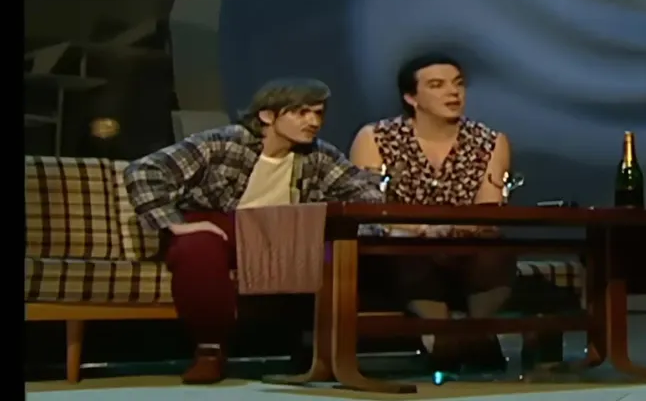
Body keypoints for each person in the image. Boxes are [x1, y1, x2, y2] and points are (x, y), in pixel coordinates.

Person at [124, 78, 384, 384]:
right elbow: (144, 170)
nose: (314, 122)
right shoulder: (223, 142)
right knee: (197, 247)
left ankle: (321, 351)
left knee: (336, 253)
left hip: (281, 232)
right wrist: (175, 223)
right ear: (267, 116)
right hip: (223, 222)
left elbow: (366, 194)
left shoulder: (318, 155)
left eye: (318, 113)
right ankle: (210, 351)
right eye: (301, 113)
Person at [350, 53, 514, 371]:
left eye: (458, 84)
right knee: (408, 251)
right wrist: (423, 229)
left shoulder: (490, 141)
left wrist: (457, 230)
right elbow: (370, 209)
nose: (453, 93)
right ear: (411, 98)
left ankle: (476, 333)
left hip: (464, 246)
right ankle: (441, 336)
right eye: (437, 85)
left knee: (495, 249)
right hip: (401, 244)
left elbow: (488, 212)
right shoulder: (376, 137)